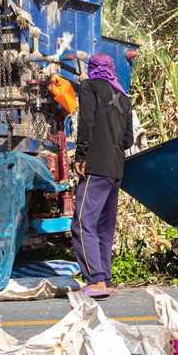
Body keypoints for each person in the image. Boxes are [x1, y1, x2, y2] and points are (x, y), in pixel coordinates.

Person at [73, 52, 132, 298]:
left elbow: (86, 121)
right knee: (104, 227)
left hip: (95, 165)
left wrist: (81, 155)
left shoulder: (89, 87)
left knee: (83, 222)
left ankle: (95, 280)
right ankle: (105, 280)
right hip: (116, 168)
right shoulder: (124, 97)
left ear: (92, 69)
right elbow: (128, 139)